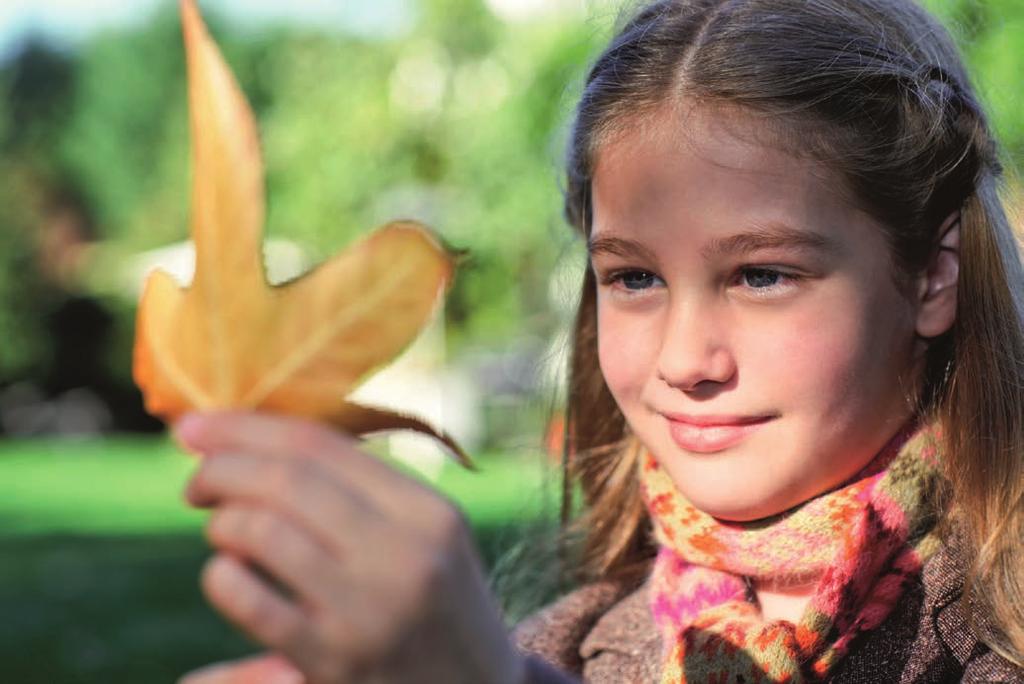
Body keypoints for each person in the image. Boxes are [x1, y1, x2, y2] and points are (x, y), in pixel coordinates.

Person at [174, 0, 1024, 681]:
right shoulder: (560, 647)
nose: (686, 361)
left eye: (762, 275)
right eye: (634, 279)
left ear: (931, 278)